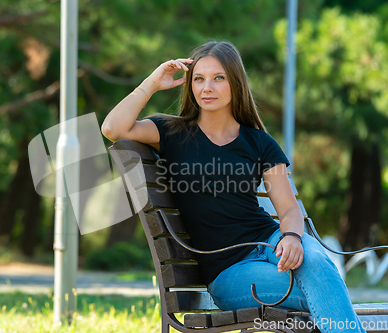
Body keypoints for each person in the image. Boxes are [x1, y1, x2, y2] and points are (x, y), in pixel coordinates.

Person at [101, 41, 365, 333]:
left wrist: (290, 236)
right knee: (325, 287)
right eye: (199, 79)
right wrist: (151, 83)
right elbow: (113, 128)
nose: (206, 88)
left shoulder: (259, 142)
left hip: (272, 241)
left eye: (218, 78)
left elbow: (289, 208)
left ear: (235, 83)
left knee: (317, 264)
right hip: (229, 272)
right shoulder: (171, 132)